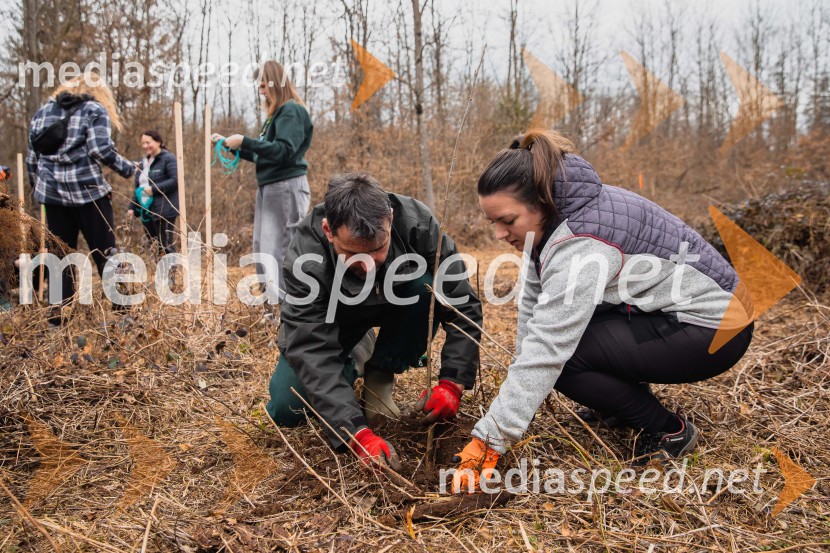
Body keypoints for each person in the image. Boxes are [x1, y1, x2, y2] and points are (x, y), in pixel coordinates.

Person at [451, 130, 754, 492]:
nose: (499, 234)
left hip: (717, 328)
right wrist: (522, 389)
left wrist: (489, 441)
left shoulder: (582, 242)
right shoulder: (554, 222)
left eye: (508, 220)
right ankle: (617, 404)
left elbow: (548, 348)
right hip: (671, 313)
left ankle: (668, 431)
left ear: (542, 202)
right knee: (564, 337)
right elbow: (534, 310)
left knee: (563, 360)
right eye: (493, 223)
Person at [267, 172, 484, 470]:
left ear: (391, 219)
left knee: (426, 286)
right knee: (287, 409)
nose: (367, 261)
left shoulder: (418, 224)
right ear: (329, 230)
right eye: (352, 253)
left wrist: (453, 382)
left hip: (398, 305)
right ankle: (355, 352)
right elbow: (310, 346)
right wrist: (356, 433)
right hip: (337, 324)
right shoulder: (306, 253)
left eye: (377, 249)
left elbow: (461, 303)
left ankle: (379, 380)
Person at [26, 72, 136, 325]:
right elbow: (100, 149)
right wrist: (129, 168)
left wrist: (39, 189)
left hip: (53, 197)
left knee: (60, 256)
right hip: (89, 194)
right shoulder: (93, 110)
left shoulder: (42, 113)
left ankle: (59, 317)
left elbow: (32, 160)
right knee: (106, 252)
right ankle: (124, 316)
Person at [212, 60, 313, 304]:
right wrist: (230, 143)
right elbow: (262, 153)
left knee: (278, 251)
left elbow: (284, 151)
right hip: (270, 188)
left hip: (286, 186)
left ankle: (284, 314)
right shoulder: (274, 116)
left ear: (276, 83)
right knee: (262, 249)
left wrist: (244, 141)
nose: (261, 90)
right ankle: (270, 310)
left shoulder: (291, 111)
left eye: (264, 85)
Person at [129, 130, 179, 255]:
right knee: (154, 244)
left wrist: (154, 189)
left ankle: (170, 274)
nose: (145, 146)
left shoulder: (168, 158)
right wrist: (132, 207)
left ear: (158, 142)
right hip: (146, 210)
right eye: (143, 143)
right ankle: (160, 273)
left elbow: (175, 180)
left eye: (148, 142)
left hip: (165, 210)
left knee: (165, 243)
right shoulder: (144, 162)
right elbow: (139, 187)